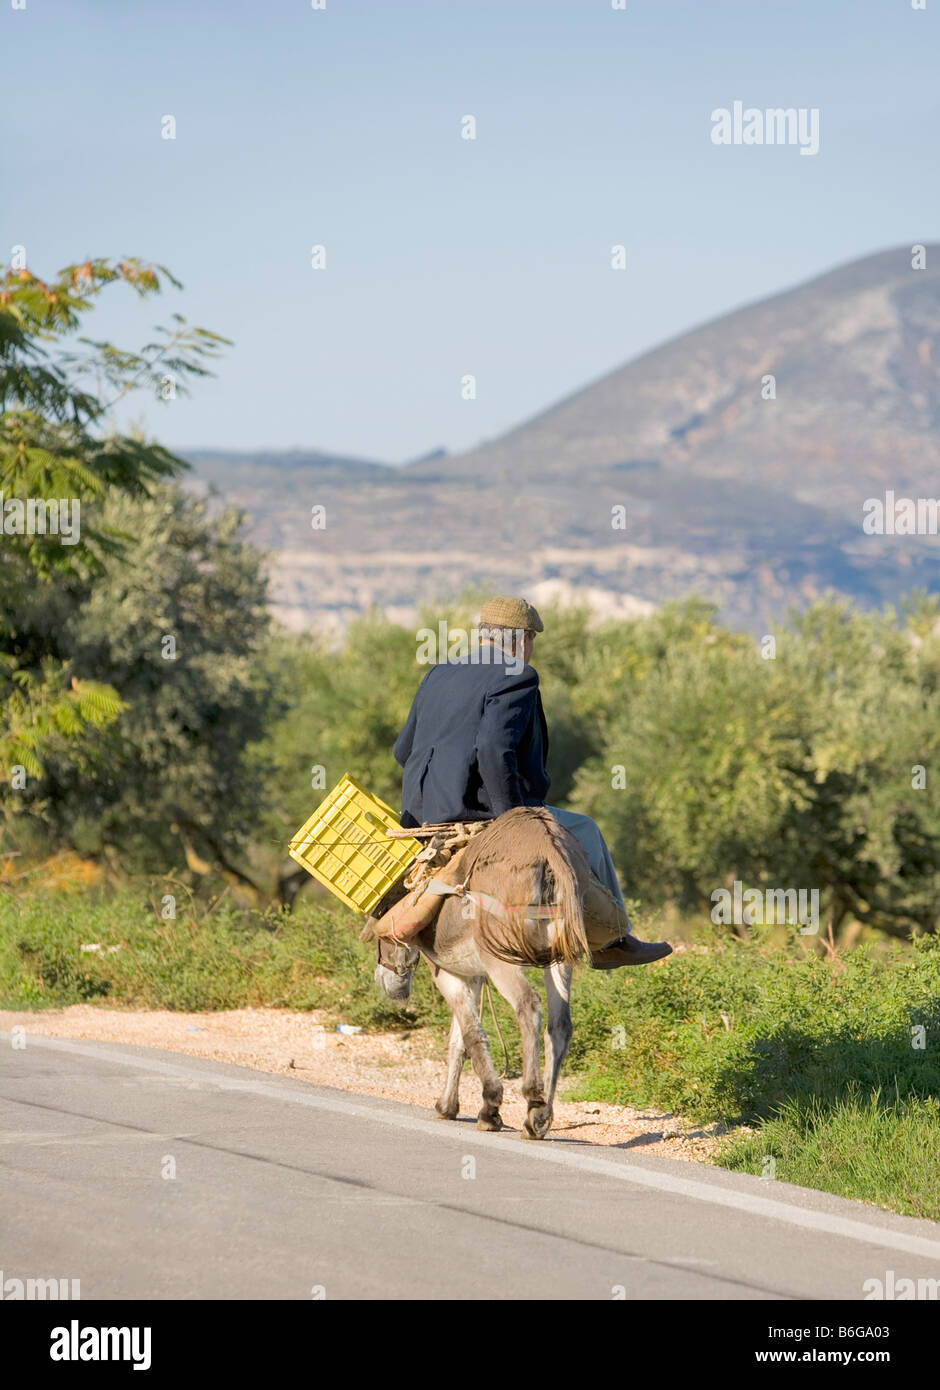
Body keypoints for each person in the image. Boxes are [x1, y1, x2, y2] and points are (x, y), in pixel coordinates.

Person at [383, 594, 671, 969]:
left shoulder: (439, 672)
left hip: (420, 817)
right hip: (479, 814)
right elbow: (491, 748)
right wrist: (512, 820)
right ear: (521, 639)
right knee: (587, 829)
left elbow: (401, 751)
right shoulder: (517, 675)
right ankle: (613, 941)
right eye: (532, 639)